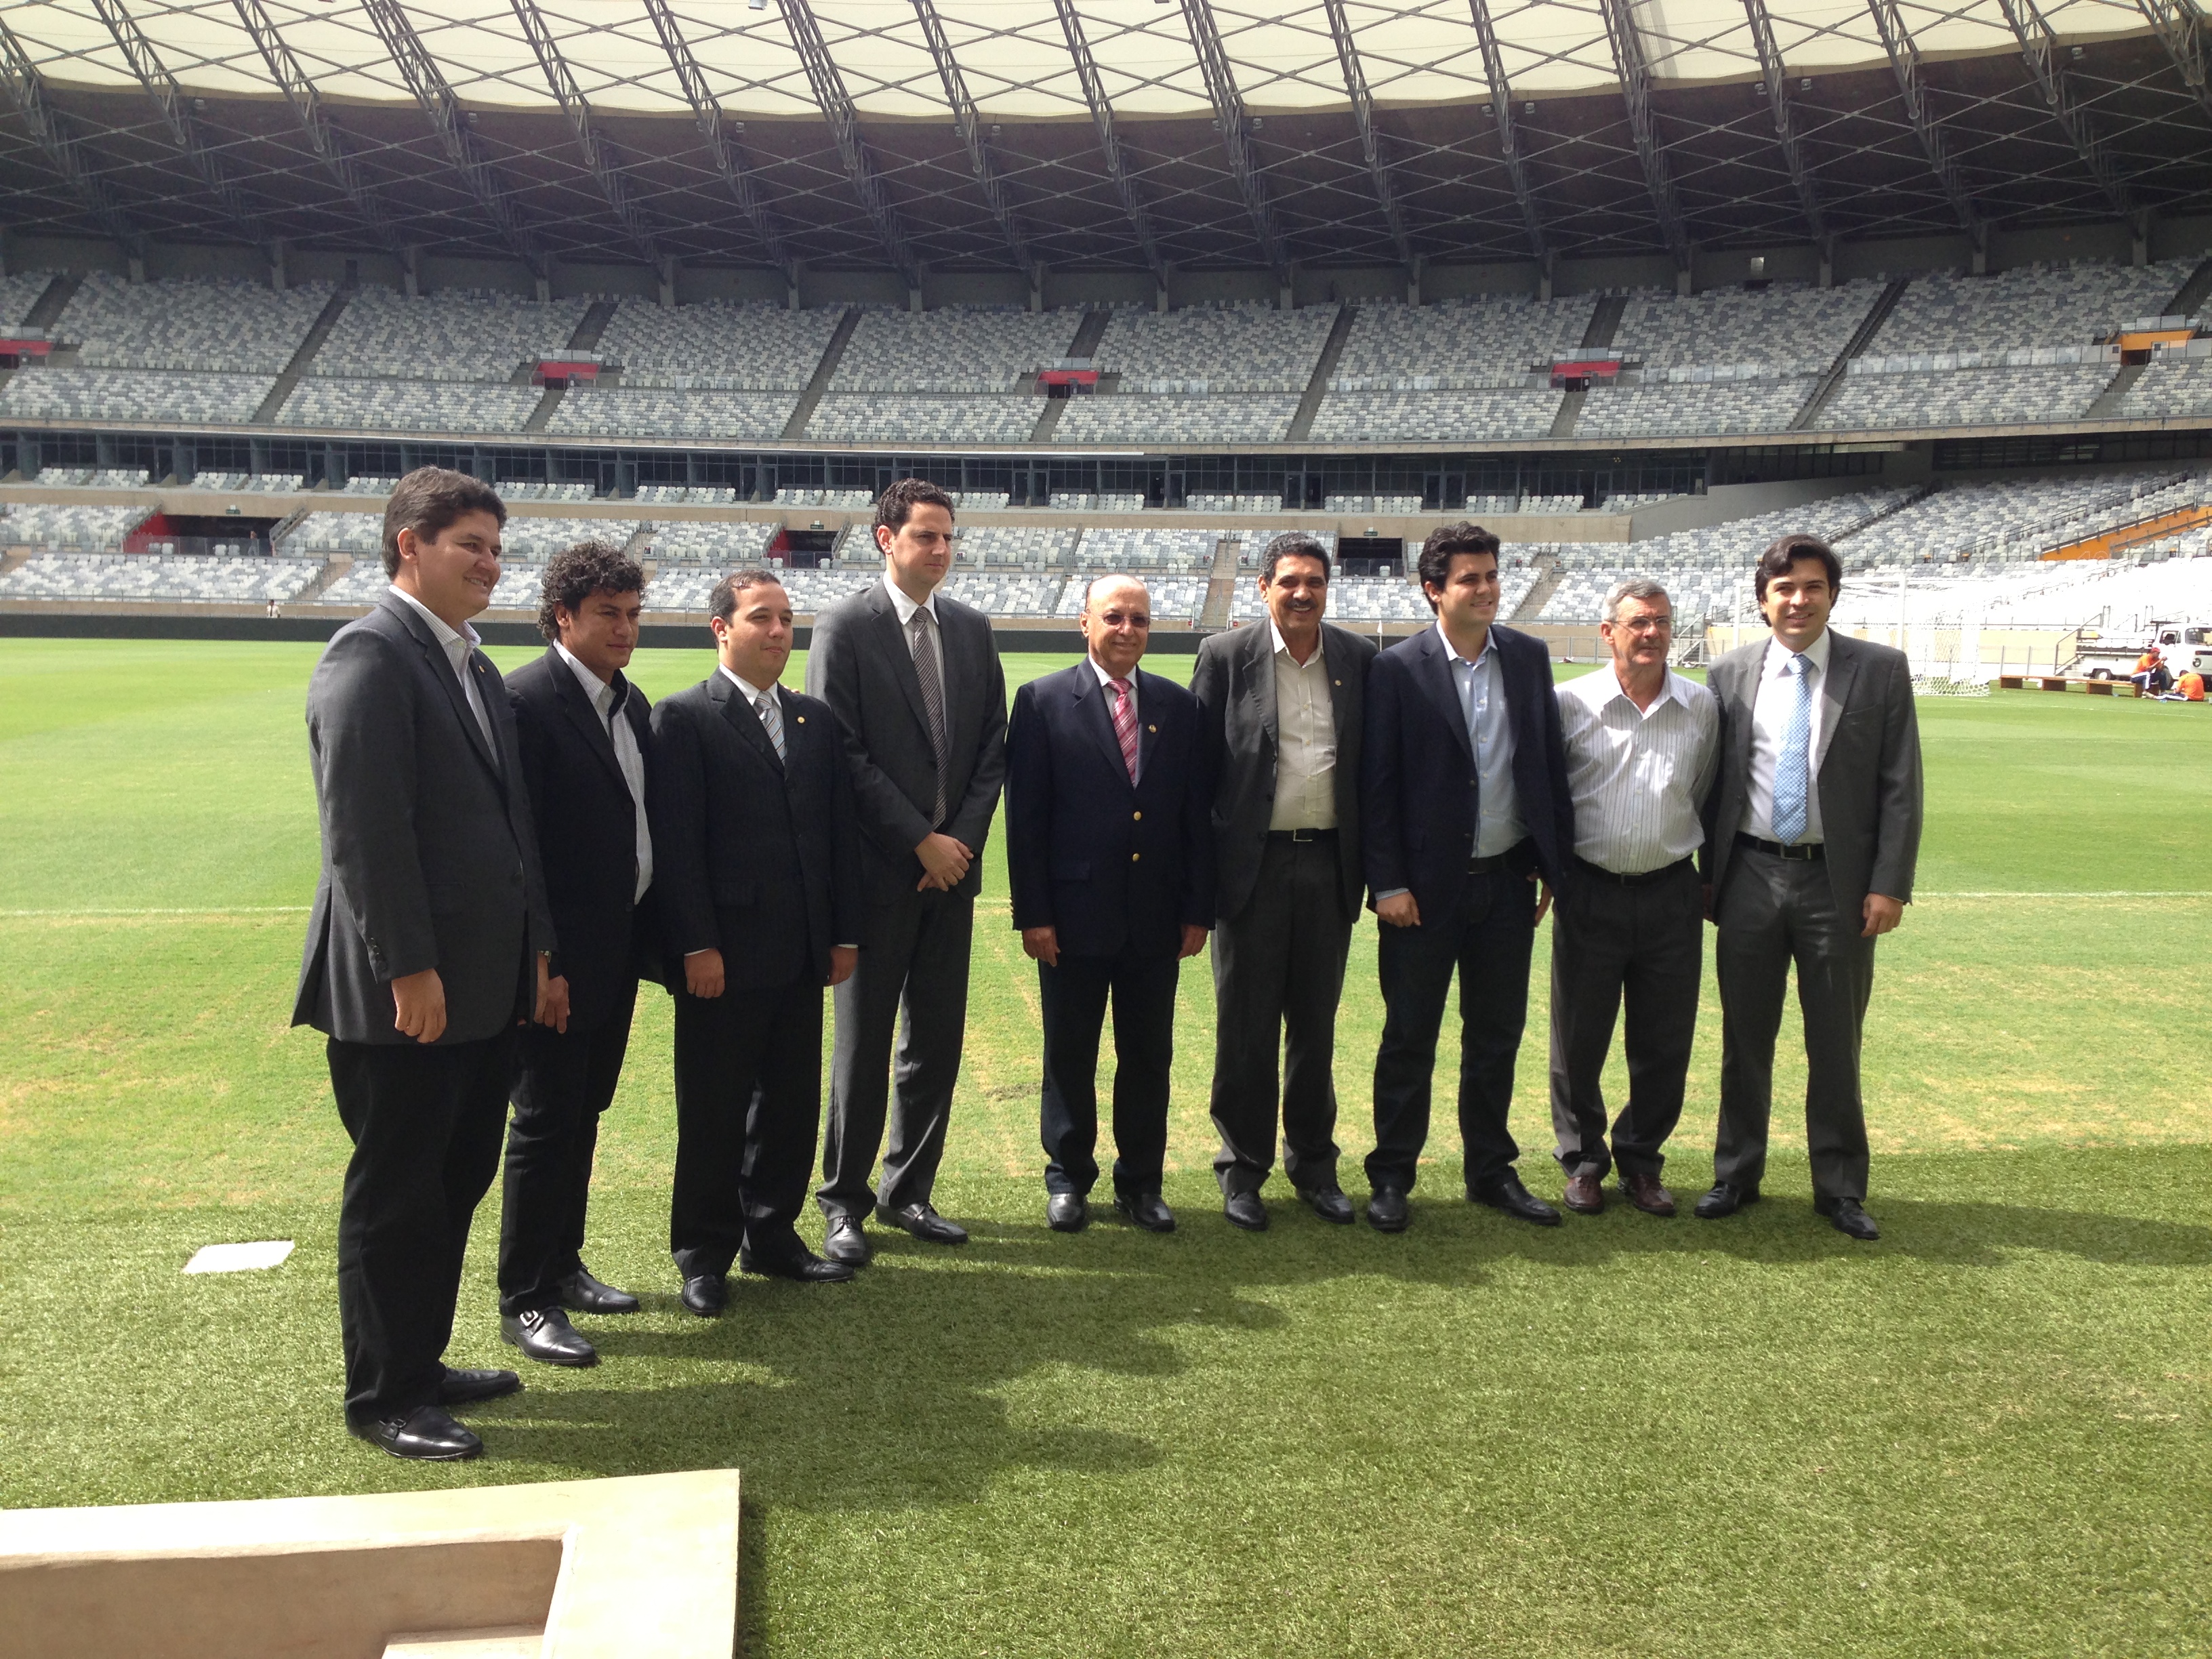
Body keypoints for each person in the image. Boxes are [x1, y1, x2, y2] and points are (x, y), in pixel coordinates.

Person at [293, 466, 556, 1462]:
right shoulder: (370, 656)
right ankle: (386, 1395)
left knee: (455, 1179)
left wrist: (535, 953)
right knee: (399, 1191)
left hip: (484, 986)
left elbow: (510, 832)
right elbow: (364, 831)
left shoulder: (473, 667)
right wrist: (408, 967)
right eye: (470, 547)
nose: (491, 565)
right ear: (411, 545)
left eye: (496, 548)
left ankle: (424, 1361)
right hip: (404, 994)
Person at [806, 478, 1008, 1266]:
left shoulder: (970, 627)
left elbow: (992, 745)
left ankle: (909, 1190)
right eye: (927, 535)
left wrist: (956, 842)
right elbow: (842, 752)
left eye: (949, 536)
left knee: (936, 1042)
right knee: (862, 1046)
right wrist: (918, 840)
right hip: (877, 875)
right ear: (886, 539)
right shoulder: (846, 626)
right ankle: (843, 1202)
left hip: (949, 878)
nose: (942, 549)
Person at [1698, 533, 1923, 1242]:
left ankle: (1840, 1187)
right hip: (1751, 878)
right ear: (1763, 600)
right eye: (1784, 588)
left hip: (1839, 884)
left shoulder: (1880, 671)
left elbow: (1900, 786)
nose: (1798, 600)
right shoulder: (1729, 673)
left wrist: (1888, 884)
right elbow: (1712, 787)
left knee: (1835, 1043)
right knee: (1746, 1038)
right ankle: (1737, 1172)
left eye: (1812, 587)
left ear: (1832, 594)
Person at [651, 569, 863, 1312]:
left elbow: (837, 837)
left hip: (803, 953)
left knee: (789, 1107)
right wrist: (695, 946)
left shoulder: (814, 721)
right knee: (713, 1108)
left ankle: (772, 1235)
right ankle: (704, 1255)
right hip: (724, 958)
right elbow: (676, 847)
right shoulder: (684, 718)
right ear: (721, 629)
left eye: (786, 620)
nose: (778, 633)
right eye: (760, 618)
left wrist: (843, 935)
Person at [1360, 522, 1574, 1233]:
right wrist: (1387, 882)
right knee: (1409, 1037)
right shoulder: (1395, 669)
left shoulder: (1527, 657)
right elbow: (1377, 786)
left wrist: (1549, 861)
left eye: (1491, 576)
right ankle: (1392, 1174)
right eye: (1469, 579)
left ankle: (1490, 1170)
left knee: (1496, 1036)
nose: (1486, 590)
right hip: (1423, 893)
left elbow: (1544, 764)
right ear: (1434, 590)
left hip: (1507, 884)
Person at [1005, 574, 1214, 1234]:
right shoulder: (1040, 703)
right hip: (1071, 916)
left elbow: (1195, 819)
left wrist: (1197, 909)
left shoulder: (1180, 708)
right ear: (1085, 622)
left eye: (1140, 620)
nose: (1128, 630)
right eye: (1115, 617)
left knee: (1149, 1056)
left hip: (1155, 917)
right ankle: (1068, 1178)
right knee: (1070, 1052)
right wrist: (1034, 914)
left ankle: (1141, 1183)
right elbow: (1027, 820)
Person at [495, 542, 659, 1370]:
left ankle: (564, 1262)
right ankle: (526, 1298)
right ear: (564, 616)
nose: (626, 630)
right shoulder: (525, 701)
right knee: (544, 1122)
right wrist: (541, 962)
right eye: (608, 615)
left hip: (615, 951)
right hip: (557, 961)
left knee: (583, 1116)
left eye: (633, 616)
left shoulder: (628, 704)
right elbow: (517, 849)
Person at [1191, 531, 1376, 1230]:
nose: (1303, 594)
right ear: (1263, 587)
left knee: (1315, 1027)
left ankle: (1314, 1165)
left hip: (1328, 865)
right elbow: (1198, 771)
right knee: (1246, 1027)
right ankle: (1242, 1170)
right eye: (1290, 581)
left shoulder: (1357, 658)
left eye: (1315, 583)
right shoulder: (1226, 656)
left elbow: (1372, 770)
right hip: (1252, 869)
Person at [1547, 579, 1717, 1218]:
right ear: (1608, 632)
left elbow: (1703, 789)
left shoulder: (1700, 707)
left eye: (1662, 622)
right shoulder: (1569, 703)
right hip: (1591, 890)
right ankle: (1585, 1159)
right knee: (1579, 1039)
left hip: (1672, 892)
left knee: (1664, 1041)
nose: (1652, 633)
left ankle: (1641, 1160)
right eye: (1639, 622)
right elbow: (1552, 795)